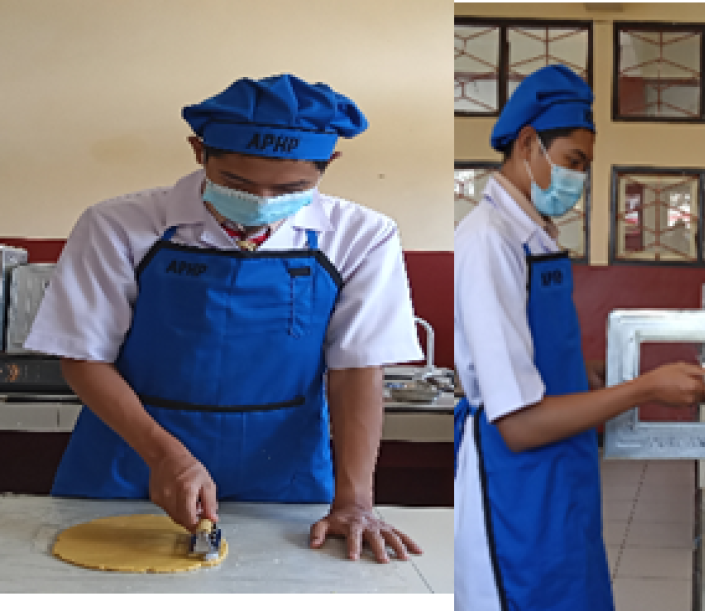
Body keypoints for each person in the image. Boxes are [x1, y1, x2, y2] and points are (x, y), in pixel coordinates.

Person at [25, 74, 424, 564]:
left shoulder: (363, 236)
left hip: (285, 477)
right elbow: (84, 357)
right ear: (199, 152)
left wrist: (356, 502)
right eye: (237, 183)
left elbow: (358, 367)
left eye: (292, 188)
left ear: (329, 165)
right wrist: (165, 457)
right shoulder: (118, 226)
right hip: (127, 462)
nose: (260, 203)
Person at [453, 64, 705, 610]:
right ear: (528, 144)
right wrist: (645, 390)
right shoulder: (487, 243)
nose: (578, 180)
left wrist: (589, 373)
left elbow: (538, 355)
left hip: (562, 469)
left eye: (584, 167)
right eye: (573, 162)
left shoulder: (536, 236)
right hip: (516, 479)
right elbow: (518, 425)